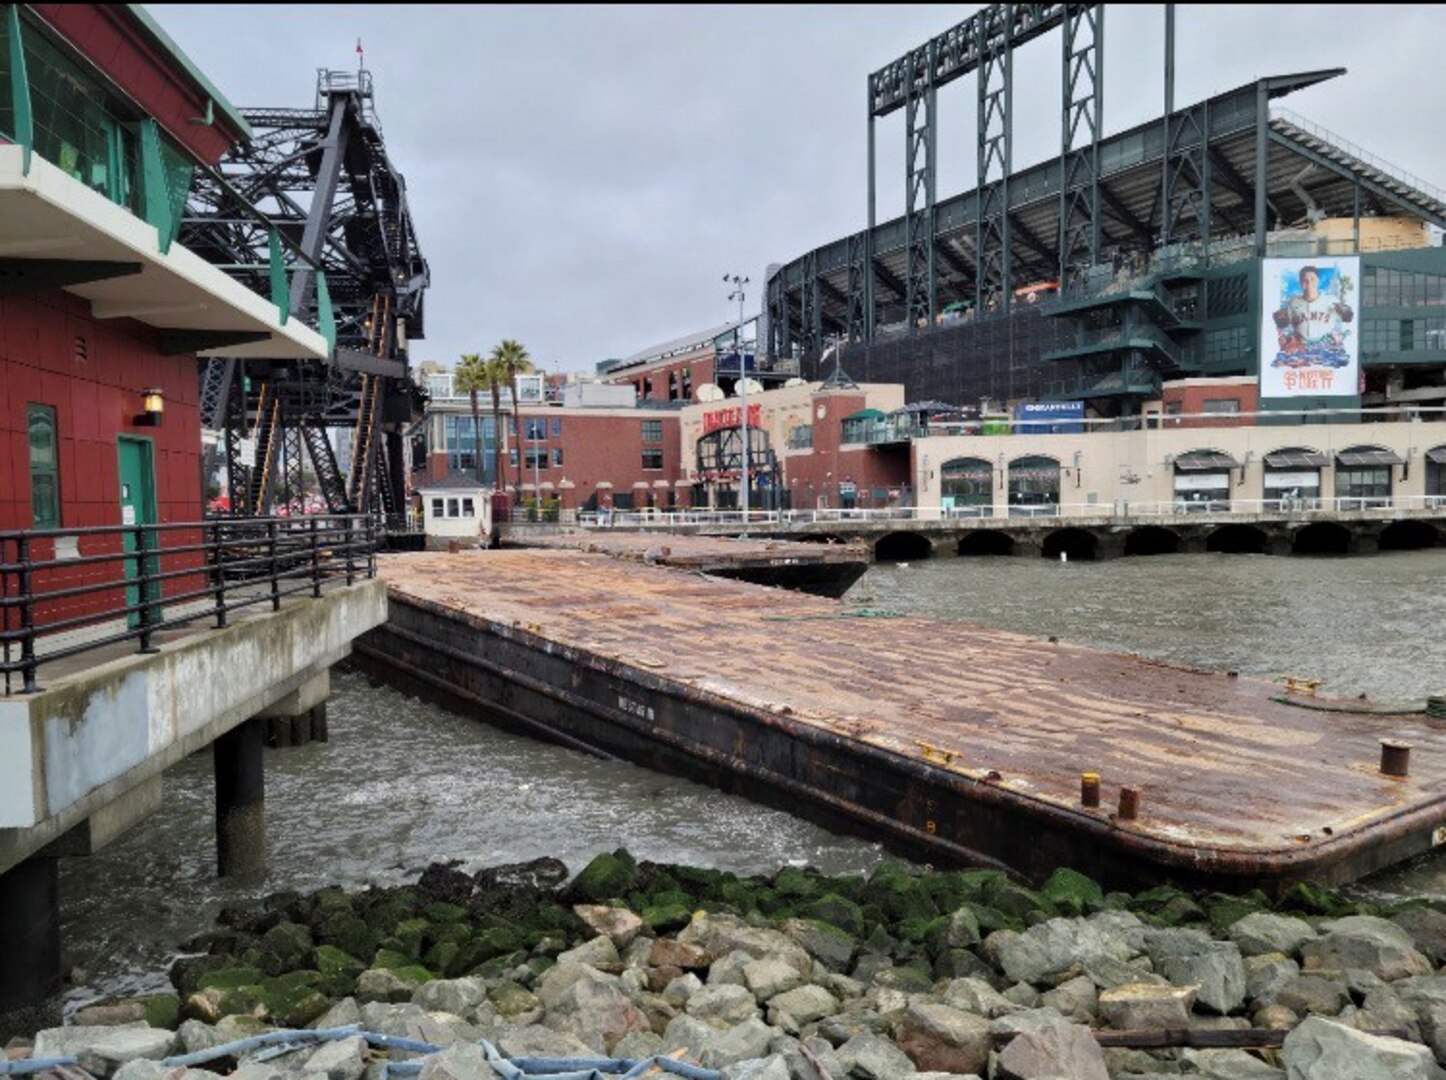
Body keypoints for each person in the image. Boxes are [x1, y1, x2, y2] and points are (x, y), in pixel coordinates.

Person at [1271, 265, 1353, 366]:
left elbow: (1348, 318)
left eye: (1312, 279)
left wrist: (1344, 311)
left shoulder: (1330, 300)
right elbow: (1283, 324)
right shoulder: (1293, 302)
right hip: (1302, 348)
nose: (1309, 282)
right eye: (1305, 280)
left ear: (1318, 280)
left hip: (1325, 347)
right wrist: (1279, 318)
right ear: (1301, 283)